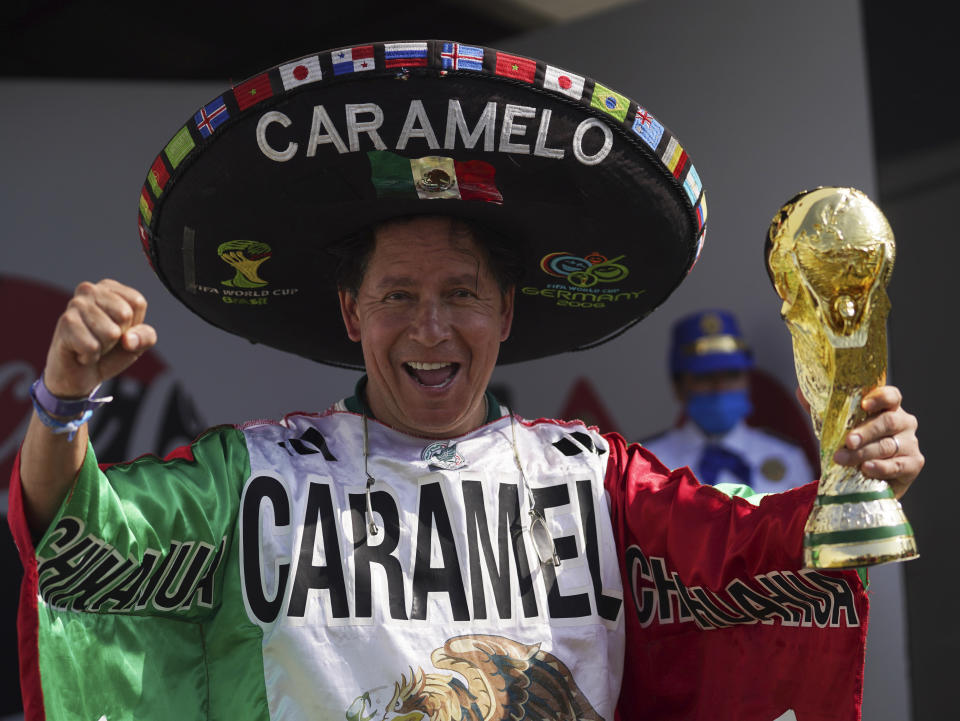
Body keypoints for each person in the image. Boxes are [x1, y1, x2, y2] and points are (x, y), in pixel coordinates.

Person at [8, 41, 923, 721]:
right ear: (350, 312)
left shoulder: (594, 479)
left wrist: (857, 484)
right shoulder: (252, 479)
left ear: (508, 312)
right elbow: (81, 539)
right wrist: (61, 399)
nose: (431, 326)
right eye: (397, 293)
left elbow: (753, 556)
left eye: (461, 294)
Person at [643, 309, 816, 493]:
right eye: (705, 377)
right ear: (678, 388)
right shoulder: (648, 465)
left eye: (732, 375)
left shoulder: (786, 457)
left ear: (748, 380)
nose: (720, 387)